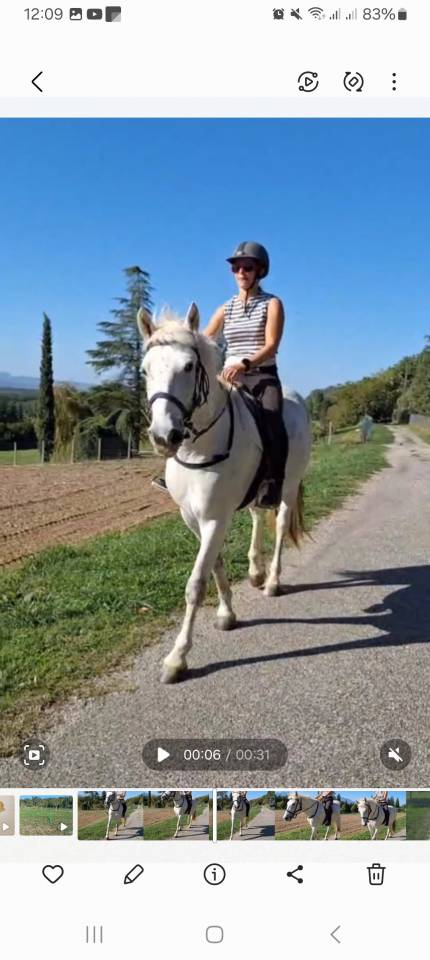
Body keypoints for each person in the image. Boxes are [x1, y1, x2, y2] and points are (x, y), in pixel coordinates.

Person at [204, 241, 287, 508]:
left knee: (274, 422)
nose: (241, 272)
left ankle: (272, 485)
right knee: (193, 409)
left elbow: (271, 344)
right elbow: (206, 339)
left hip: (261, 374)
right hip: (228, 375)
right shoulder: (225, 309)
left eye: (247, 267)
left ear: (260, 271)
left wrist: (245, 364)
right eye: (236, 268)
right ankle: (175, 474)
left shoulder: (272, 304)